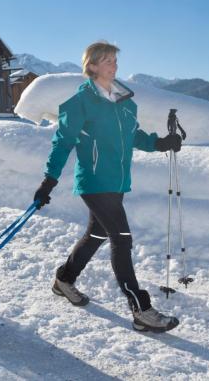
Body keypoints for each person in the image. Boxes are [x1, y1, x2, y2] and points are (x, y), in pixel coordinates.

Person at [33, 41, 182, 333]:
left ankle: (64, 279)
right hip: (94, 182)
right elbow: (62, 142)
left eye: (115, 60)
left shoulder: (124, 101)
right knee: (122, 239)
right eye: (107, 61)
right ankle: (142, 310)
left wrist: (161, 143)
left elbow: (133, 135)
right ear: (92, 66)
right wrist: (48, 181)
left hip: (117, 182)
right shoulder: (80, 103)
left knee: (96, 233)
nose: (114, 65)